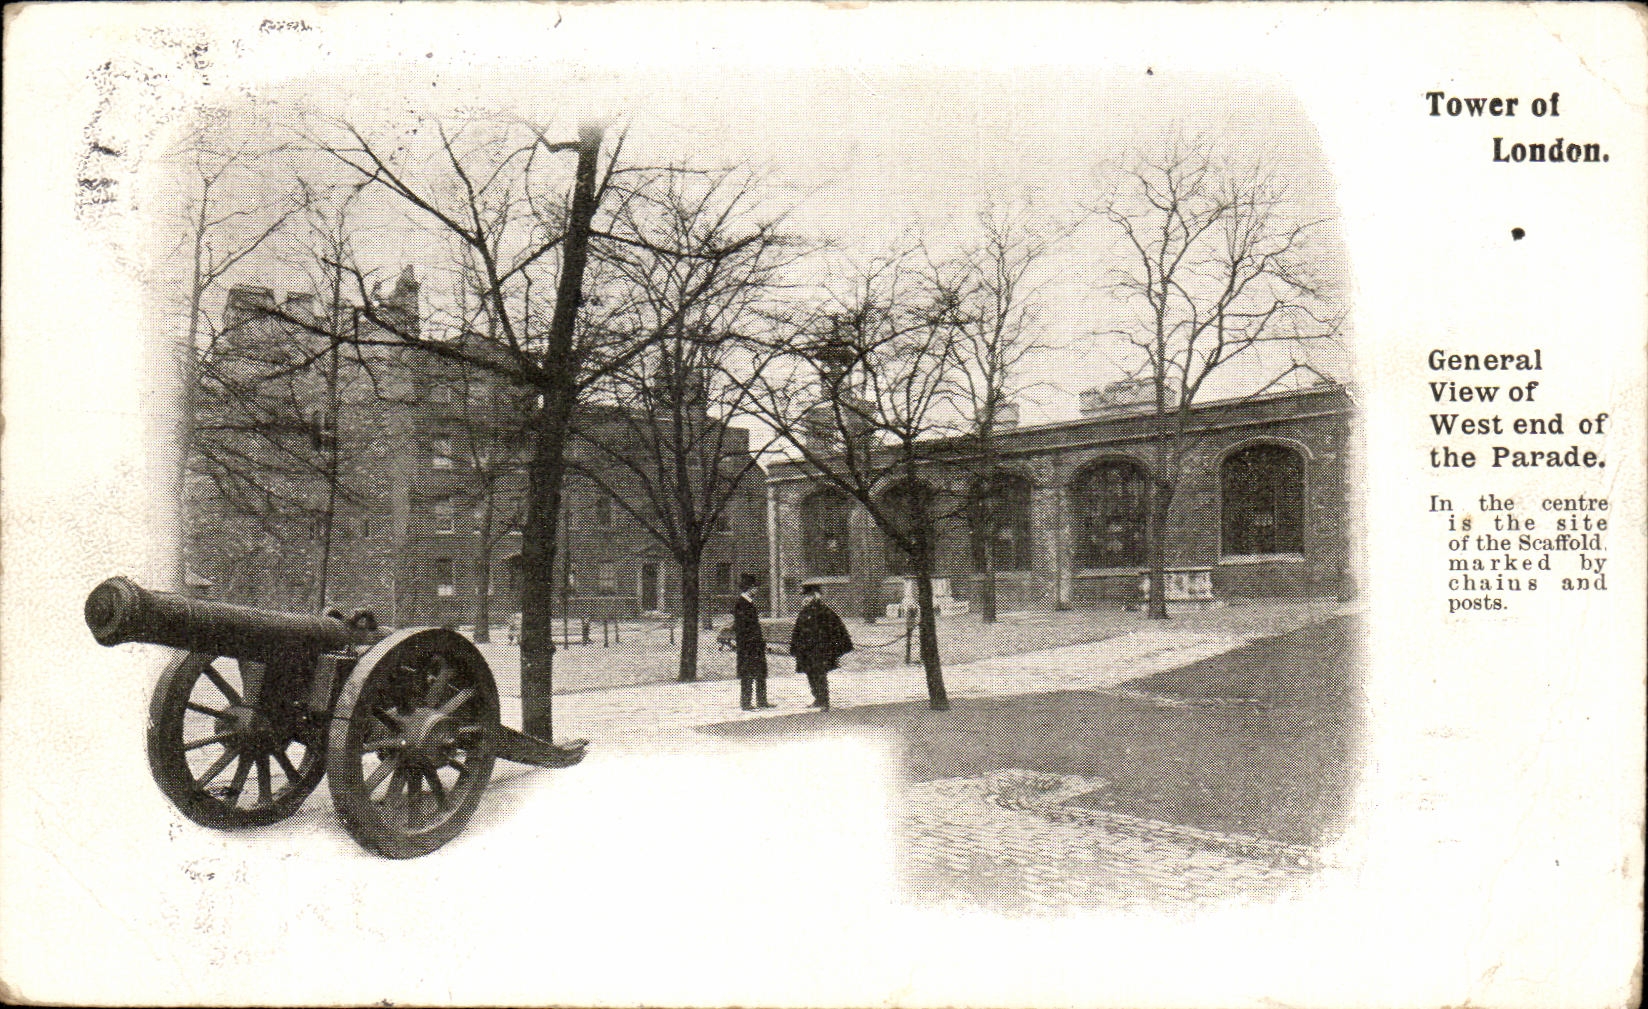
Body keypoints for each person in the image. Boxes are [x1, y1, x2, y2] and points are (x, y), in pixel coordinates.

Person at [789, 582, 853, 711]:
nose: (805, 599)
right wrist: (795, 647)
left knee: (820, 674)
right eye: (804, 596)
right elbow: (798, 630)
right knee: (810, 674)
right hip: (807, 651)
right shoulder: (804, 611)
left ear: (815, 596)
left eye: (808, 596)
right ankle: (817, 698)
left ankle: (824, 701)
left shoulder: (824, 611)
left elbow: (836, 629)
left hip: (820, 650)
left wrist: (834, 648)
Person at [733, 573, 774, 710]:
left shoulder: (748, 603)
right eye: (755, 587)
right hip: (748, 646)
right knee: (748, 674)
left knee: (760, 672)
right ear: (749, 588)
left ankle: (762, 700)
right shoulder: (741, 604)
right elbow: (742, 628)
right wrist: (752, 642)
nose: (757, 590)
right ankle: (746, 703)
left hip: (755, 645)